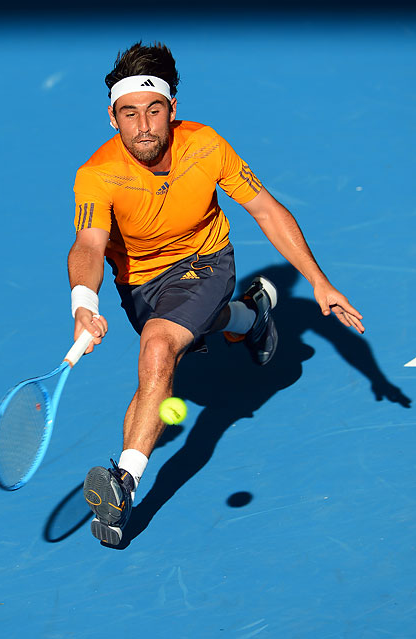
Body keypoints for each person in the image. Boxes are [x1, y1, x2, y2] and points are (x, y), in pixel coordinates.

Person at [67, 41, 365, 545]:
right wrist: (84, 303)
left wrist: (318, 280)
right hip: (138, 281)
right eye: (130, 114)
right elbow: (88, 245)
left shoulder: (205, 146)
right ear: (113, 118)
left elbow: (266, 209)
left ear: (172, 109)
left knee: (159, 348)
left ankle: (124, 484)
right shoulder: (98, 176)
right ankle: (250, 317)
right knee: (183, 335)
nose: (143, 126)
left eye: (154, 110)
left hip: (204, 261)